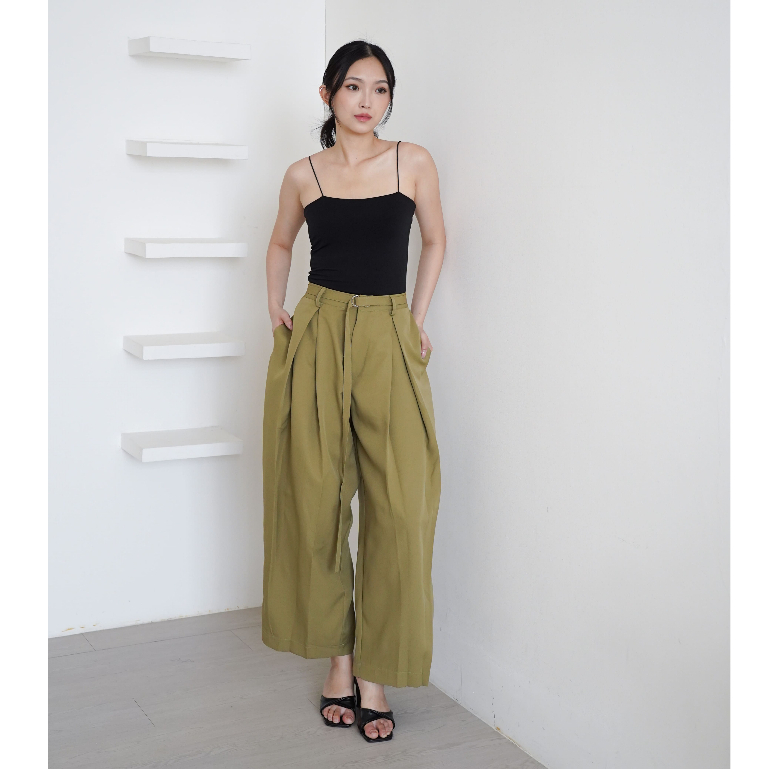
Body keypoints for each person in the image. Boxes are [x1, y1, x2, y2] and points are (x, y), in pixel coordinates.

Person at [261, 40, 445, 744]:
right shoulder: (303, 174)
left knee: (400, 506)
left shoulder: (412, 161)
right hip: (318, 326)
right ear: (327, 94)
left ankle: (378, 670)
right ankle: (338, 663)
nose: (367, 101)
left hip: (387, 331)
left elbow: (436, 240)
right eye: (353, 87)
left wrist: (414, 320)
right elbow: (281, 242)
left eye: (380, 88)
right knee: (316, 498)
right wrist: (275, 307)